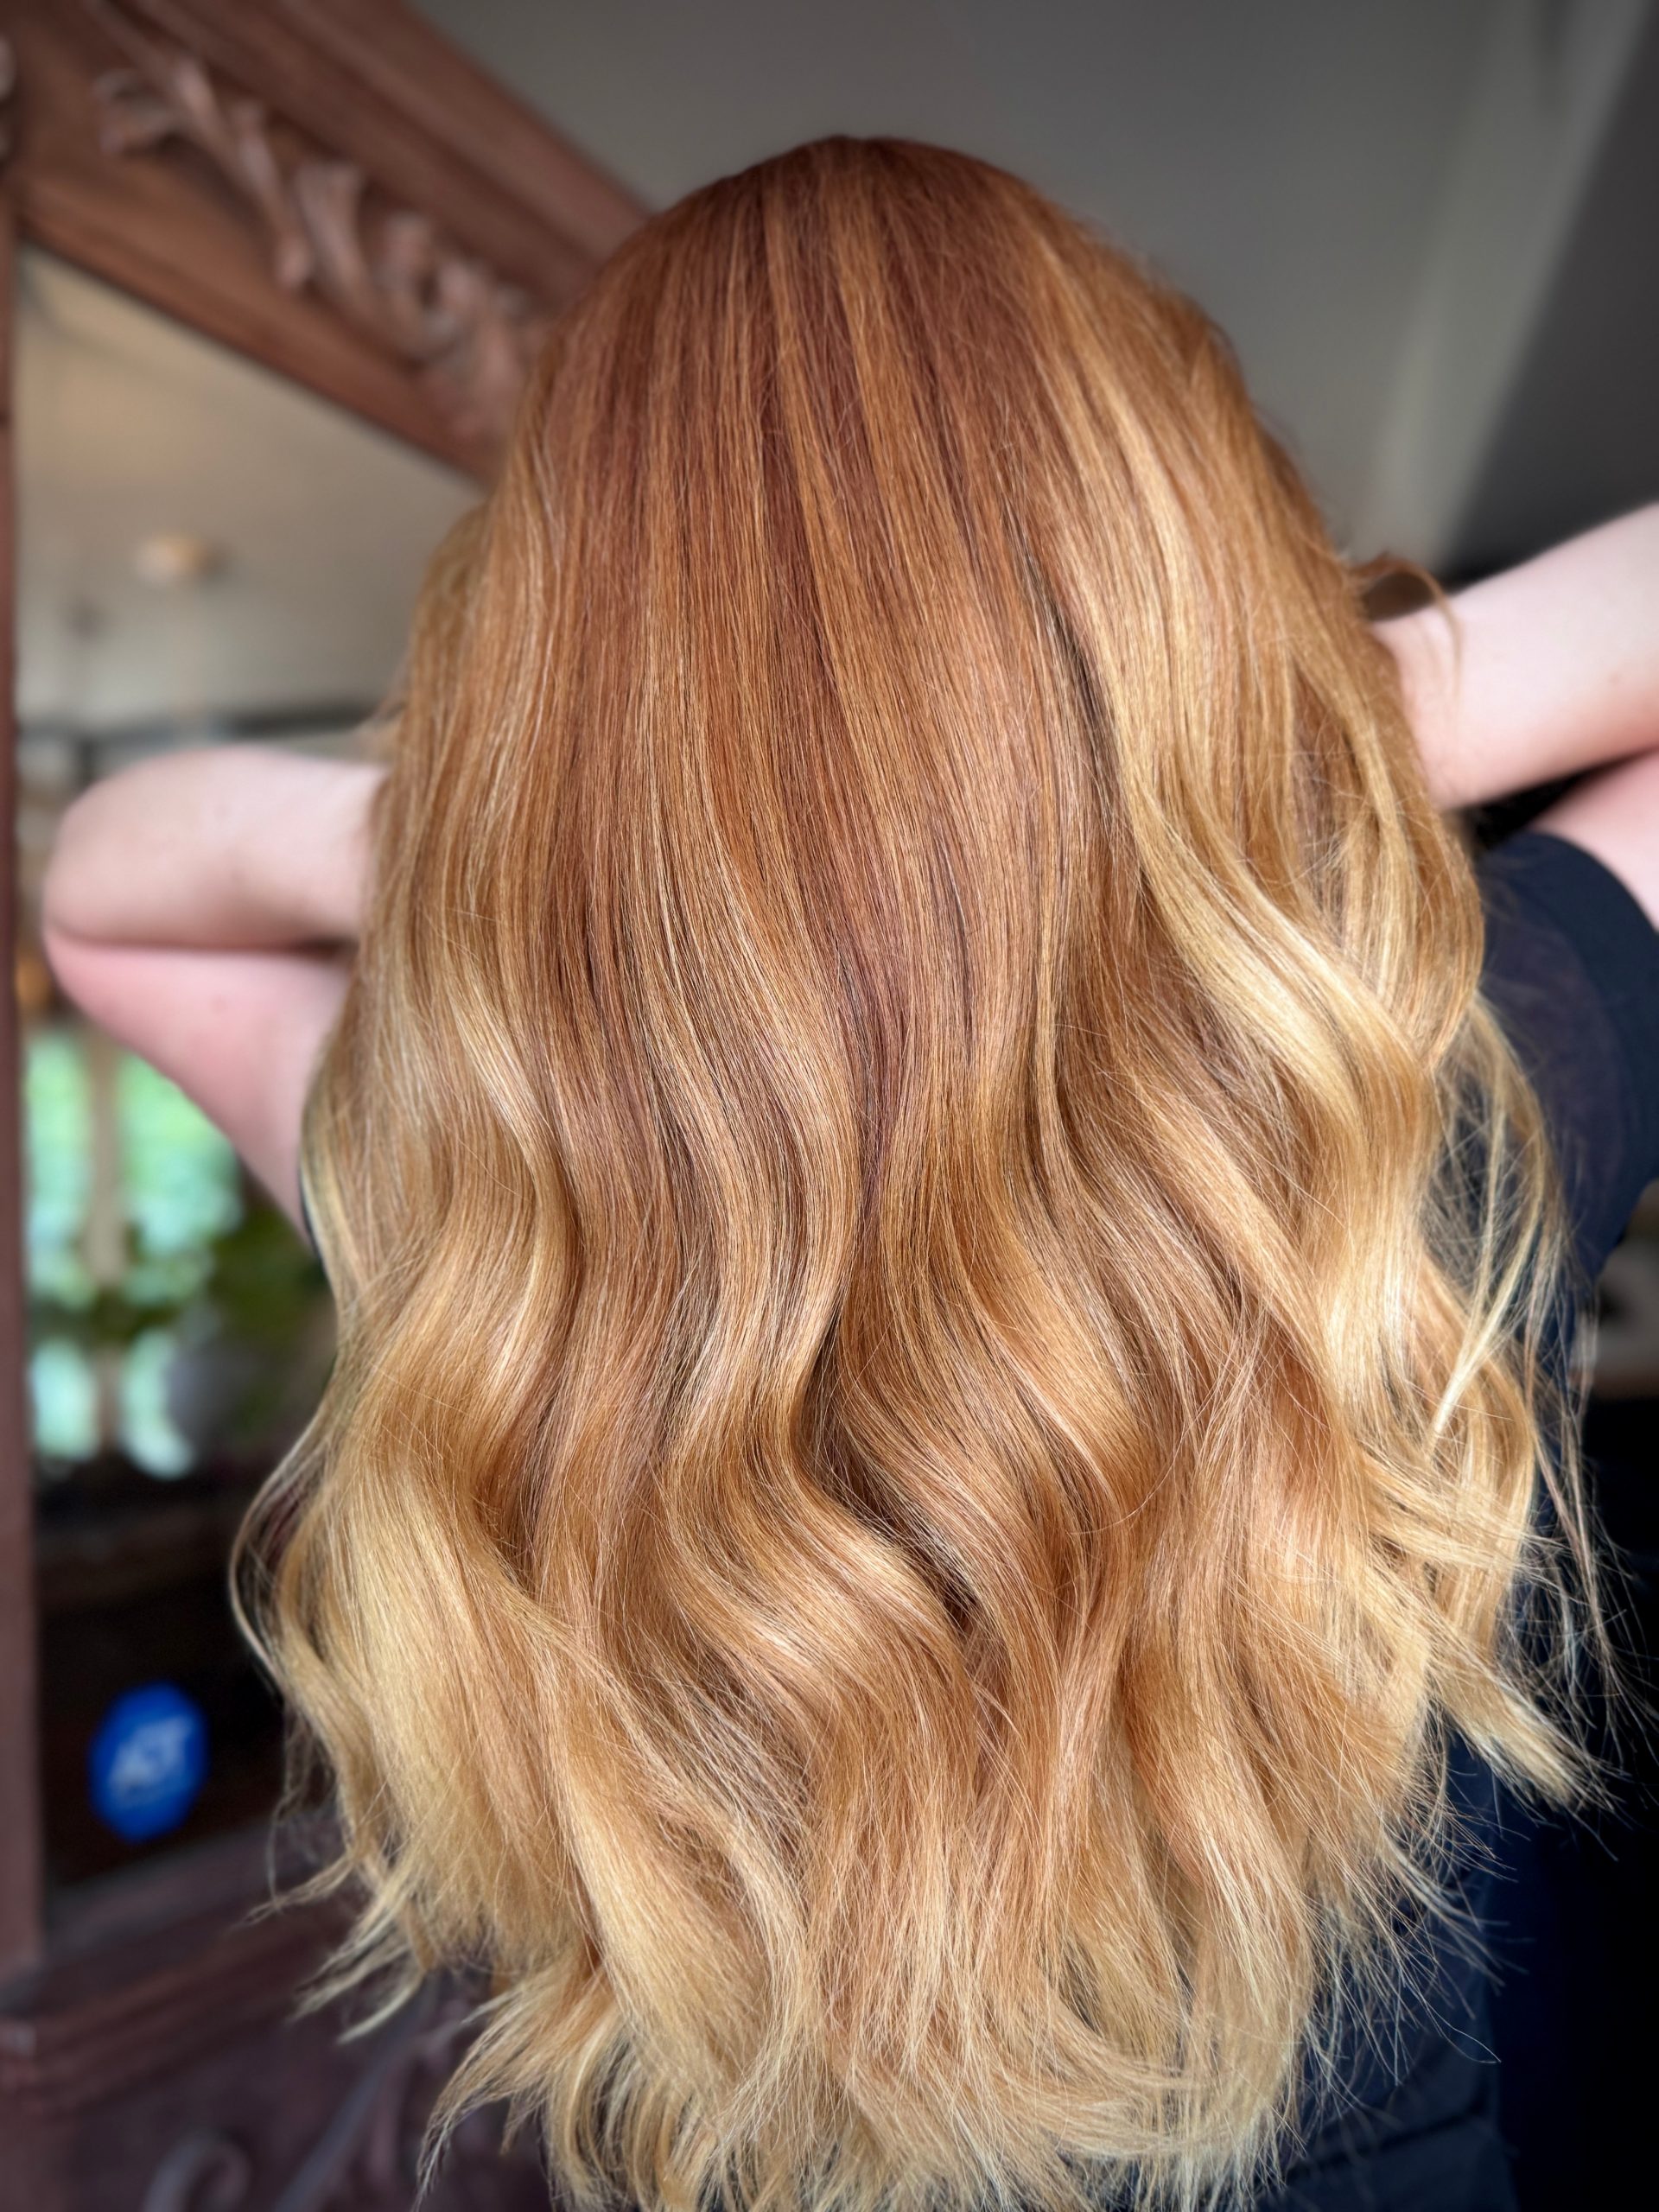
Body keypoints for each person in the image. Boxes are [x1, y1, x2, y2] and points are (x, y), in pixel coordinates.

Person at [39, 138, 1659, 2212]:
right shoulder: (1388, 1137)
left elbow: (111, 885)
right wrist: (1212, 743)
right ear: (1161, 572)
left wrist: (536, 840)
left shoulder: (498, 1215)